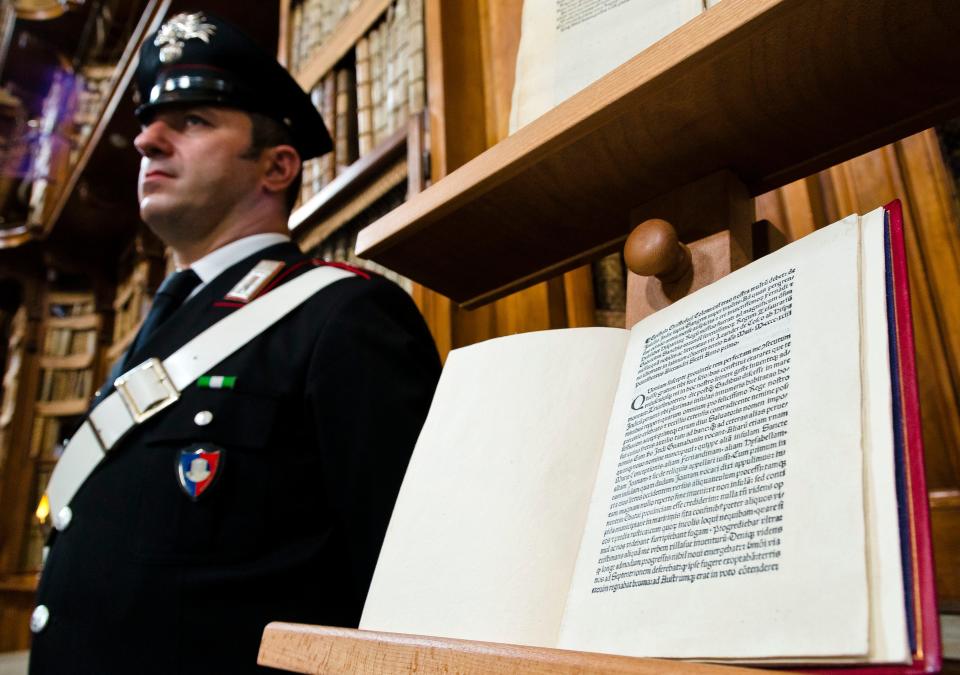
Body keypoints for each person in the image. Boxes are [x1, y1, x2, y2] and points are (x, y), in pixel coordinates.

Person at [29, 11, 440, 674]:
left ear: (277, 167)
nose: (147, 141)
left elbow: (411, 587)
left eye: (193, 121)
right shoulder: (155, 335)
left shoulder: (343, 314)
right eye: (147, 123)